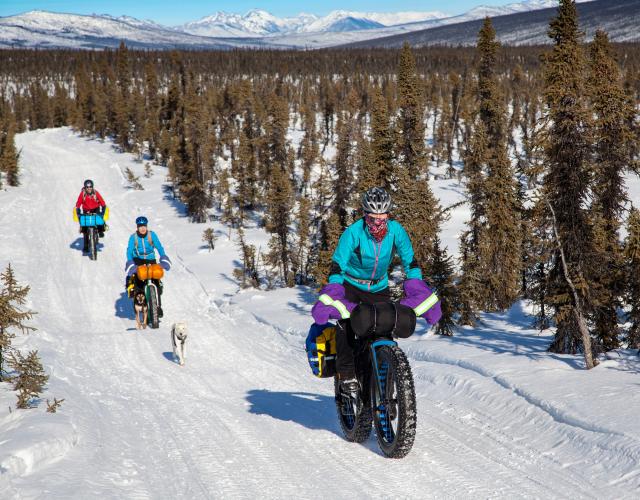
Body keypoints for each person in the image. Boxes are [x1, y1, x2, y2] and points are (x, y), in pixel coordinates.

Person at [311, 187, 442, 394]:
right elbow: (338, 265)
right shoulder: (353, 233)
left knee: (385, 327)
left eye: (383, 218)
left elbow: (411, 261)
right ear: (365, 215)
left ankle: (385, 383)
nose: (378, 224)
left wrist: (416, 284)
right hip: (351, 285)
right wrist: (335, 288)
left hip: (379, 287)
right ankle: (346, 375)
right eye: (373, 219)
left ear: (388, 215)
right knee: (346, 323)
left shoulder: (396, 231)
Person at [124, 216, 172, 317]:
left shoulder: (152, 235)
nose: (142, 228)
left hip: (150, 259)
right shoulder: (133, 237)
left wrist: (162, 256)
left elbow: (159, 246)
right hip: (138, 259)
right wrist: (130, 262)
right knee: (138, 280)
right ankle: (138, 301)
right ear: (137, 227)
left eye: (144, 226)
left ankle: (158, 306)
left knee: (156, 279)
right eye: (140, 226)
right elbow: (129, 251)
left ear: (146, 226)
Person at [75, 179, 107, 252]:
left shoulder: (96, 193)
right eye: (87, 187)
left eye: (90, 186)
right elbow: (78, 203)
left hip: (96, 208)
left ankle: (100, 230)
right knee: (85, 226)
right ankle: (86, 245)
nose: (89, 188)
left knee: (99, 219)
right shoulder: (82, 194)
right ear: (85, 187)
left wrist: (103, 207)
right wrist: (78, 209)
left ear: (92, 187)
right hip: (86, 210)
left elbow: (102, 201)